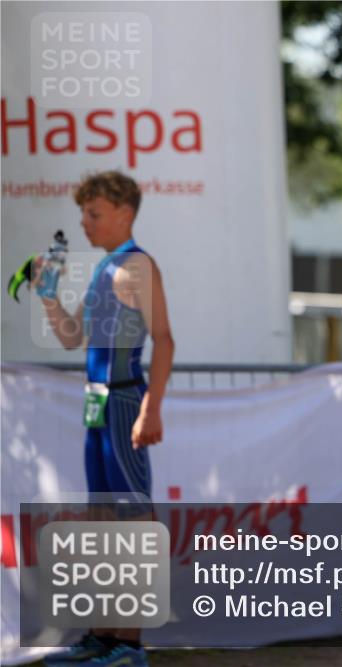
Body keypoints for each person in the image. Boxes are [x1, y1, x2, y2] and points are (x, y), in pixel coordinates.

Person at [37, 171, 174, 667]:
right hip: (96, 405)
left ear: (124, 213)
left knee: (135, 522)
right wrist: (48, 295)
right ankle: (100, 634)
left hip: (121, 403)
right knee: (100, 524)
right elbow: (72, 337)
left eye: (94, 214)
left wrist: (151, 407)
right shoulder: (103, 269)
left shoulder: (138, 266)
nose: (85, 223)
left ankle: (129, 644)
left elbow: (165, 339)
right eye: (83, 215)